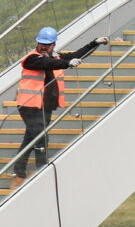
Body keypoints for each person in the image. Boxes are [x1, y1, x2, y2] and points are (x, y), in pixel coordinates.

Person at [13, 26, 107, 180]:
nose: (43, 46)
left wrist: (94, 43)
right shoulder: (32, 58)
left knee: (31, 137)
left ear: (53, 45)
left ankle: (19, 170)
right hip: (29, 106)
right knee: (41, 137)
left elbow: (76, 55)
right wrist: (68, 63)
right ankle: (41, 170)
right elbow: (47, 64)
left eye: (46, 44)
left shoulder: (54, 57)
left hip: (45, 106)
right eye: (41, 43)